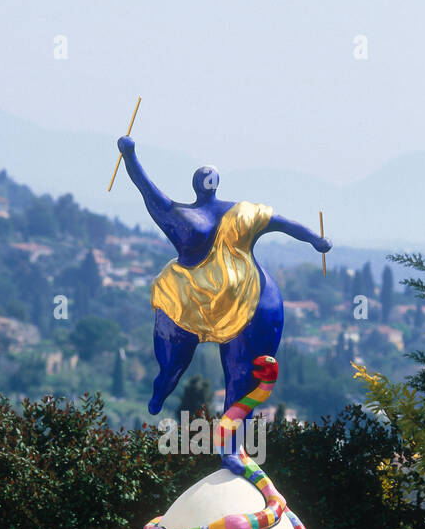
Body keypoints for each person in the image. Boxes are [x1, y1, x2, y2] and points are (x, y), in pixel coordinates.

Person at [117, 136, 331, 413]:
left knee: (225, 373)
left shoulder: (214, 214)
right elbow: (283, 223)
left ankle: (222, 439)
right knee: (175, 368)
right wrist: (315, 239)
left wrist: (129, 155)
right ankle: (162, 389)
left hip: (228, 299)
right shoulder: (230, 213)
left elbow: (145, 188)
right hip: (204, 297)